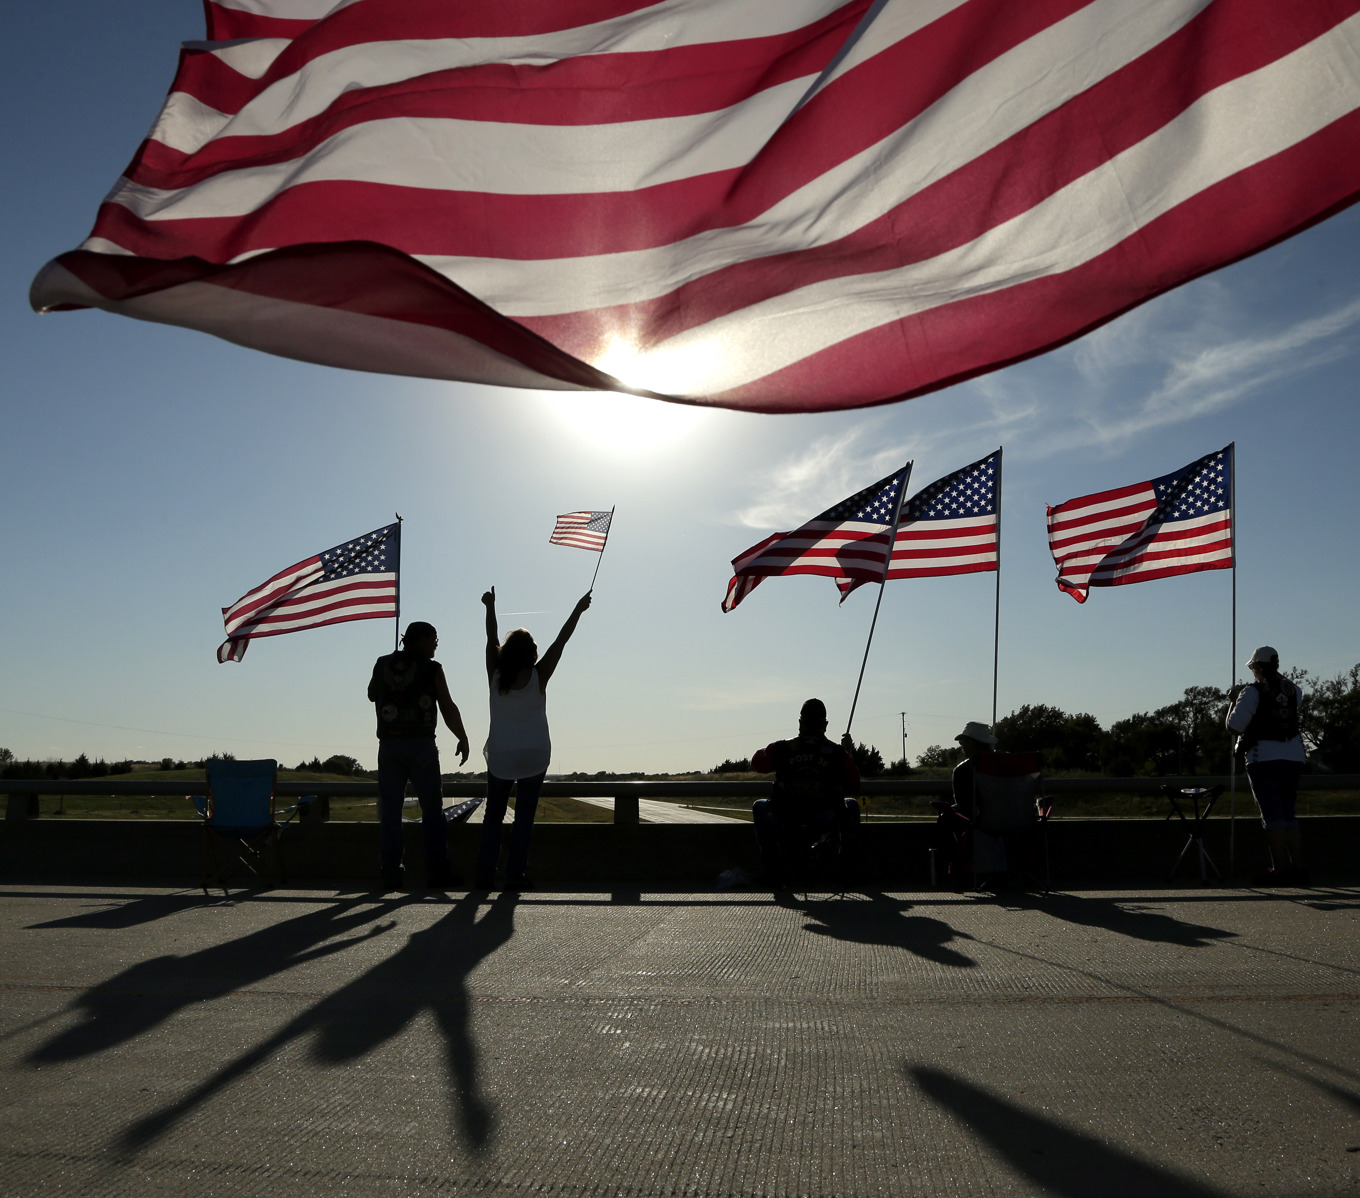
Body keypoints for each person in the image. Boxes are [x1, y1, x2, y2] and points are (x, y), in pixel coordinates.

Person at [476, 587, 592, 890]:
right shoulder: (540, 676)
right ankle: (515, 876)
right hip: (534, 754)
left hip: (501, 754)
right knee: (524, 819)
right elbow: (561, 641)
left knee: (493, 816)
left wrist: (490, 606)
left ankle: (485, 876)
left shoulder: (495, 676)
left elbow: (491, 640)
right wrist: (578, 609)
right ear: (532, 653)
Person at [368, 621, 470, 890]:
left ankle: (390, 872)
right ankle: (437, 872)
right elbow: (447, 705)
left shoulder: (381, 663)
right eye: (434, 639)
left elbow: (370, 694)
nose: (436, 644)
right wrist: (462, 736)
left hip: (388, 746)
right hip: (421, 746)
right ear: (421, 640)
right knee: (432, 811)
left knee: (390, 812)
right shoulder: (432, 668)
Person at [750, 699, 861, 887]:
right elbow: (854, 783)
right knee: (852, 805)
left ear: (800, 723)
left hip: (787, 817)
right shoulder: (837, 753)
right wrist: (848, 752)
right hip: (826, 818)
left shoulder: (782, 748)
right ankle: (847, 870)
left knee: (759, 806)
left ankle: (772, 869)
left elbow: (757, 763)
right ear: (825, 725)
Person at [1226, 646, 1308, 886]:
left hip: (1263, 758)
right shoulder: (1293, 690)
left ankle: (1281, 869)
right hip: (1293, 756)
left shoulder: (1251, 692)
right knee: (1288, 813)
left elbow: (1234, 727)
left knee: (1272, 815)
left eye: (1253, 667)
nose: (1252, 671)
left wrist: (1233, 702)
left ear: (1259, 667)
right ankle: (1299, 867)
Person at [930, 721, 1003, 888]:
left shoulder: (962, 770)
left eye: (964, 743)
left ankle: (955, 871)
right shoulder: (1010, 764)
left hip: (983, 823)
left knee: (945, 818)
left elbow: (962, 806)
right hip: (1019, 820)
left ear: (973, 743)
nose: (962, 746)